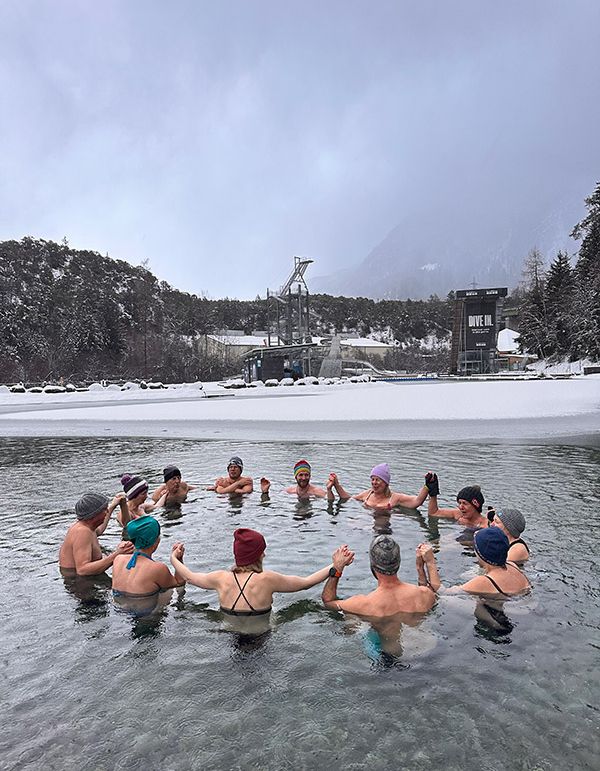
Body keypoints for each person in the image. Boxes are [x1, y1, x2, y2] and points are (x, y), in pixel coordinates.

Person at [169, 527, 353, 617]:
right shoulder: (268, 579)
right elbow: (306, 583)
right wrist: (336, 565)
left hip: (229, 635)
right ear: (256, 556)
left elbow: (188, 576)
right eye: (261, 551)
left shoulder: (220, 578)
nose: (264, 554)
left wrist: (174, 558)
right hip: (262, 637)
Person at [322, 535, 437, 615]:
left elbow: (328, 602)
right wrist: (420, 567)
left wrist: (337, 568)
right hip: (425, 642)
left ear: (373, 565)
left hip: (387, 643)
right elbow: (432, 592)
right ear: (398, 562)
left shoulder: (362, 604)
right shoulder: (425, 594)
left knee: (352, 621)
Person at [417, 528, 530, 596]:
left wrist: (430, 562)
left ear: (480, 553)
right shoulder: (512, 565)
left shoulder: (484, 581)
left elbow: (442, 592)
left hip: (506, 614)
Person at [59, 492, 133, 576]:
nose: (107, 511)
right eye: (105, 509)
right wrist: (117, 554)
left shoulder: (88, 527)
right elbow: (82, 570)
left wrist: (113, 505)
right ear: (94, 515)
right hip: (78, 581)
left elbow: (99, 530)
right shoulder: (82, 532)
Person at [112, 516, 186, 600]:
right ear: (156, 541)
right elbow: (180, 583)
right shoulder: (158, 568)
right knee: (168, 591)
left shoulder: (118, 559)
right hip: (144, 608)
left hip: (116, 606)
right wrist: (178, 559)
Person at [329, 463, 429, 510]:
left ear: (385, 483)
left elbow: (417, 501)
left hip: (385, 527)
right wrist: (336, 485)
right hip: (367, 523)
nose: (374, 482)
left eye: (377, 480)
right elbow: (348, 498)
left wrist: (427, 485)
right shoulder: (367, 494)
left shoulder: (395, 498)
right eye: (372, 479)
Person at [425, 473, 488, 541]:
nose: (461, 507)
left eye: (464, 503)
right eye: (459, 503)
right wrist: (433, 492)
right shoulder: (459, 515)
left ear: (476, 505)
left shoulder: (486, 526)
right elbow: (434, 513)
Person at [260, 459, 334, 500]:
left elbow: (330, 500)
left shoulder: (316, 491)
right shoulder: (289, 491)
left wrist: (329, 490)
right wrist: (265, 492)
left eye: (306, 475)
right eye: (301, 475)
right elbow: (275, 500)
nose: (304, 478)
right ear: (295, 477)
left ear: (310, 476)